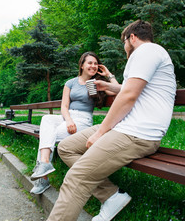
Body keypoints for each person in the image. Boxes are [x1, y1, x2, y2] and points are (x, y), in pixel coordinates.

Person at [46, 20, 177, 221]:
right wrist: (107, 86)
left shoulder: (147, 51)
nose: (124, 47)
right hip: (125, 127)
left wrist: (100, 133)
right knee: (66, 147)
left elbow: (129, 96)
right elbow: (130, 89)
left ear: (132, 38)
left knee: (77, 177)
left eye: (124, 42)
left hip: (138, 134)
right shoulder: (150, 54)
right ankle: (111, 195)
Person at [30, 51, 119, 195]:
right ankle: (45, 163)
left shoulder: (96, 83)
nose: (93, 66)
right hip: (68, 117)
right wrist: (69, 120)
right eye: (90, 63)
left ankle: (43, 177)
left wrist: (108, 74)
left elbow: (119, 91)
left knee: (48, 135)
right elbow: (64, 106)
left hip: (83, 120)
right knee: (46, 119)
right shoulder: (70, 82)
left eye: (96, 63)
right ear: (82, 65)